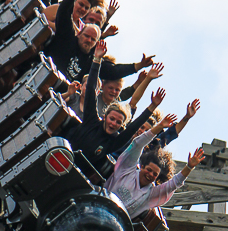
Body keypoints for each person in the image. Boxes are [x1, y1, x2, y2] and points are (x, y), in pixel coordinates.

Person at [62, 40, 164, 175]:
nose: (114, 123)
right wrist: (97, 59)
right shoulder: (91, 120)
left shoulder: (114, 142)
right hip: (62, 155)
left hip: (75, 172)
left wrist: (152, 107)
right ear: (104, 117)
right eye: (112, 119)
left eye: (118, 122)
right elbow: (92, 88)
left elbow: (134, 127)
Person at [45, 0, 154, 82]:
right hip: (44, 69)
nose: (88, 40)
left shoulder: (90, 62)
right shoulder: (68, 36)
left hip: (59, 88)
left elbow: (114, 71)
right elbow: (64, 11)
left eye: (93, 39)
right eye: (86, 36)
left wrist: (140, 65)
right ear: (79, 33)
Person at [105, 114, 205, 218]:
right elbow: (137, 144)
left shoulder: (150, 194)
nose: (150, 174)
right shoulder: (127, 168)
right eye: (149, 170)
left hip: (115, 221)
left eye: (154, 174)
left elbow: (174, 183)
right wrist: (160, 126)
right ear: (142, 166)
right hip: (101, 203)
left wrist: (189, 167)